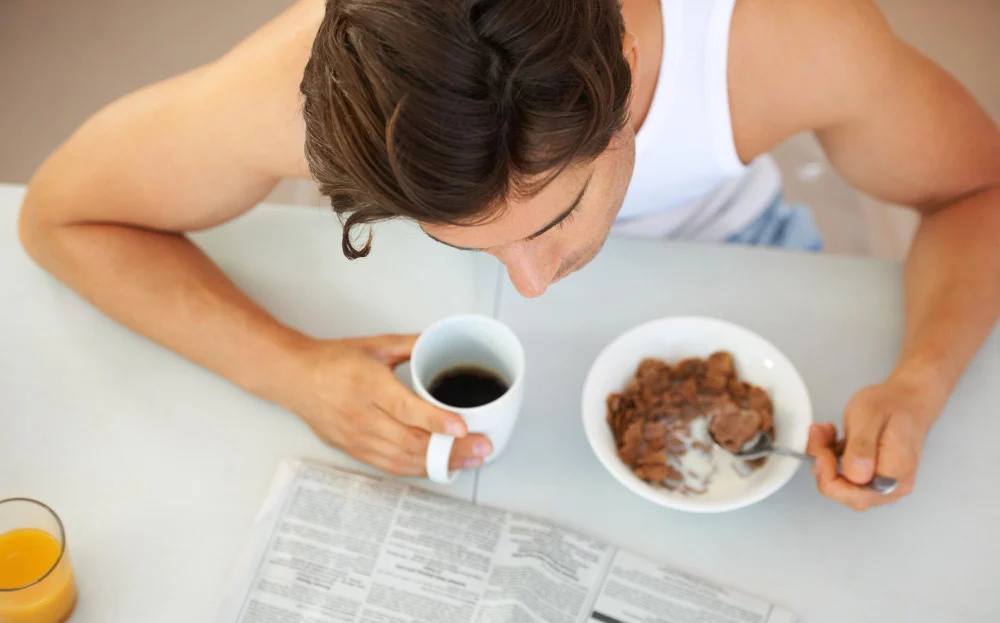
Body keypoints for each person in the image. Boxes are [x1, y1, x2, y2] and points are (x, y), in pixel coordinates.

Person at [16, 0, 1000, 511]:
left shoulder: (781, 39)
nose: (532, 281)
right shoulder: (307, 85)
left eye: (559, 212)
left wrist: (917, 379)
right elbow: (63, 216)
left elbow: (978, 188)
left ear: (622, 73)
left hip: (738, 265)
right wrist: (289, 368)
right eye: (468, 228)